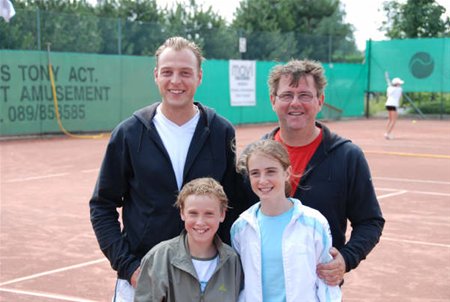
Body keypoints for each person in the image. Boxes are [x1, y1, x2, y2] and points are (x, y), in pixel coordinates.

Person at [89, 36, 243, 302]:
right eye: (168, 72)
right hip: (143, 277)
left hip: (205, 277)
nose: (176, 81)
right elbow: (102, 205)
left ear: (199, 77)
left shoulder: (221, 131)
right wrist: (129, 267)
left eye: (185, 73)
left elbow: (233, 205)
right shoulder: (129, 133)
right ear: (156, 75)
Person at [259, 59, 385, 286]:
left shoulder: (347, 156)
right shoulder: (254, 157)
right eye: (287, 95)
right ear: (273, 101)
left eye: (305, 95)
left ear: (320, 101)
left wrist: (345, 259)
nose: (295, 103)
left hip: (318, 287)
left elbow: (370, 221)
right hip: (262, 286)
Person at [231, 139, 342, 301]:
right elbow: (240, 281)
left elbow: (326, 282)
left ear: (287, 173)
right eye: (255, 173)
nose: (262, 180)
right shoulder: (241, 227)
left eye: (271, 171)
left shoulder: (315, 223)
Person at [135, 177, 243, 302]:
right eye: (193, 213)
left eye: (209, 213)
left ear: (222, 214)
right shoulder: (159, 257)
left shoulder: (232, 261)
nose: (200, 222)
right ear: (182, 213)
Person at [384, 73, 404, 140]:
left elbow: (387, 95)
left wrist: (391, 88)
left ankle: (386, 132)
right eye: (399, 83)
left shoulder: (389, 88)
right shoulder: (399, 89)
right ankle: (387, 134)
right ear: (397, 83)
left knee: (390, 119)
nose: (400, 84)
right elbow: (400, 96)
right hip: (393, 104)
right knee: (394, 120)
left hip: (388, 104)